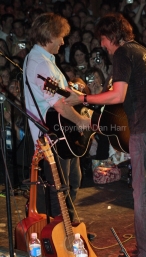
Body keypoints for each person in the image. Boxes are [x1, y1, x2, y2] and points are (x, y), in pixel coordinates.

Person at [64, 13, 146, 257]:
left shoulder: (123, 53)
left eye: (102, 39)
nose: (102, 45)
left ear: (111, 35)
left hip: (145, 127)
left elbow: (118, 95)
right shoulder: (144, 52)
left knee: (143, 194)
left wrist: (81, 98)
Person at [23, 13, 90, 223]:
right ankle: (63, 232)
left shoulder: (44, 61)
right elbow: (58, 104)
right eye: (61, 36)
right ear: (50, 35)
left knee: (71, 181)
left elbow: (60, 96)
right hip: (52, 135)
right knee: (60, 187)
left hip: (60, 133)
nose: (63, 41)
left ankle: (70, 225)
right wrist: (80, 120)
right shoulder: (41, 64)